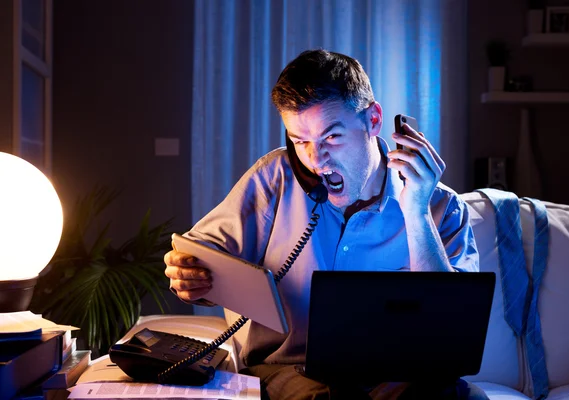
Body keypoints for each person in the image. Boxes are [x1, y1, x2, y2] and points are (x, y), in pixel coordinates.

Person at [165, 49, 487, 400]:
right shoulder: (275, 179)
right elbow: (202, 257)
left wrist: (417, 214)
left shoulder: (442, 206)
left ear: (373, 120)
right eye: (300, 141)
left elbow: (449, 332)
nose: (316, 160)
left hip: (398, 377)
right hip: (288, 370)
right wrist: (189, 277)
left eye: (331, 137)